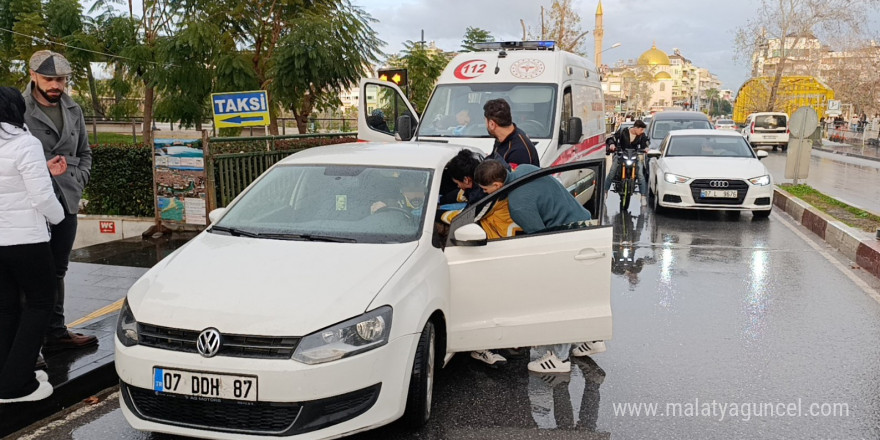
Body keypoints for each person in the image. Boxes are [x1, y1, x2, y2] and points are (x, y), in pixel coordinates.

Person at [474, 159, 606, 373]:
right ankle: (594, 339)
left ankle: (560, 359)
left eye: (484, 189)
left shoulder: (518, 205)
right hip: (586, 224)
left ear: (497, 186)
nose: (484, 192)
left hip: (566, 239)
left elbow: (538, 240)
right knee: (580, 293)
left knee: (560, 298)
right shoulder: (526, 169)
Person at [23, 50, 97, 351]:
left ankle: (55, 333)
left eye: (61, 80)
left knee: (57, 268)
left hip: (66, 198)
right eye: (49, 79)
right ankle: (27, 341)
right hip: (29, 201)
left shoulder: (74, 109)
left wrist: (78, 179)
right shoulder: (16, 108)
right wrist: (43, 168)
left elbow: (85, 153)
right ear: (32, 76)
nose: (56, 85)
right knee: (28, 270)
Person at [0, 87, 65, 403]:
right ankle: (16, 384)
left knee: (7, 306)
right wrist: (59, 216)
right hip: (26, 240)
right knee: (40, 302)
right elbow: (42, 197)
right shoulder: (25, 144)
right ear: (15, 110)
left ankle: (7, 373)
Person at [482, 98, 540, 168]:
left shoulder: (518, 151)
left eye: (485, 121)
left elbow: (512, 177)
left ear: (492, 124)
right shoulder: (502, 138)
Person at [604, 119, 649, 205]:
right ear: (636, 128)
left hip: (634, 156)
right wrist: (612, 145)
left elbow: (645, 143)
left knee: (640, 174)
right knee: (612, 172)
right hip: (621, 155)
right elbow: (612, 138)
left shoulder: (642, 135)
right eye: (641, 129)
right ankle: (605, 192)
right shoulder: (623, 131)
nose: (642, 131)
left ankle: (643, 197)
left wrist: (646, 148)